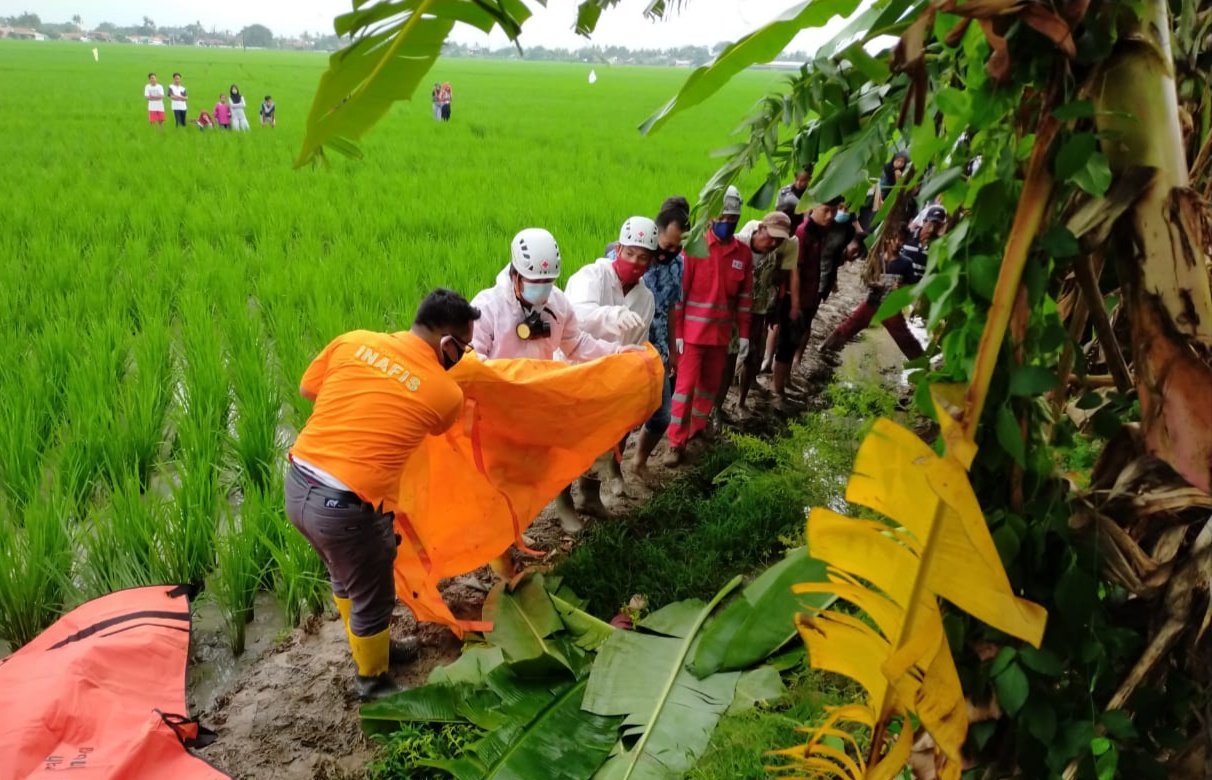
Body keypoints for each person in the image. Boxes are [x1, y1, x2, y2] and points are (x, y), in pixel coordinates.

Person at [285, 288, 480, 702]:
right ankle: (372, 682)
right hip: (346, 508)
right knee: (374, 594)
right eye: (463, 348)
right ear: (447, 344)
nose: (463, 355)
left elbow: (308, 389)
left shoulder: (354, 341)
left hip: (298, 484)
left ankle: (374, 646)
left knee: (345, 575)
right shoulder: (444, 393)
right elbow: (440, 429)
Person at [470, 228, 637, 533]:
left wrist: (615, 352)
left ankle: (562, 506)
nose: (543, 290)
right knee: (502, 480)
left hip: (539, 403)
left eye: (548, 282)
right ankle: (502, 543)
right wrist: (506, 380)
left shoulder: (556, 303)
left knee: (551, 459)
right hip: (498, 410)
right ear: (516, 274)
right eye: (535, 283)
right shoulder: (488, 307)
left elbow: (576, 343)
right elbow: (471, 357)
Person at [562, 216, 658, 523]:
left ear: (651, 261)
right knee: (569, 441)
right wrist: (611, 314)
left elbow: (639, 343)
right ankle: (563, 502)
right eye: (629, 253)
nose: (635, 261)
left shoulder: (645, 298)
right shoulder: (592, 276)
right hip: (575, 371)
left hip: (611, 379)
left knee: (605, 439)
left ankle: (589, 496)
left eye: (643, 257)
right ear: (618, 248)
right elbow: (574, 314)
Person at [665, 186, 753, 467]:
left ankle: (697, 429)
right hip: (692, 336)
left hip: (721, 336)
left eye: (734, 219)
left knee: (709, 388)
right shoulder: (695, 248)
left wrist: (745, 335)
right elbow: (680, 296)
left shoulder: (743, 253)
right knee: (685, 388)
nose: (729, 223)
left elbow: (744, 298)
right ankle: (675, 443)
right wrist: (677, 333)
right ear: (713, 216)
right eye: (725, 217)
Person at [608, 197, 689, 479]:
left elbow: (671, 308)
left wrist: (674, 350)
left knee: (662, 414)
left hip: (657, 350)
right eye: (667, 246)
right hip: (624, 349)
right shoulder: (629, 258)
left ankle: (638, 461)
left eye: (679, 246)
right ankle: (613, 466)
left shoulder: (678, 265)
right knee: (622, 418)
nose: (673, 251)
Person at [819, 205, 947, 360]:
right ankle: (825, 348)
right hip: (871, 303)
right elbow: (867, 278)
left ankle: (921, 364)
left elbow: (911, 286)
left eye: (901, 240)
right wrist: (873, 283)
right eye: (895, 239)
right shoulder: (877, 259)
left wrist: (900, 288)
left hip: (890, 307)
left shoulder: (905, 263)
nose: (898, 243)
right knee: (850, 326)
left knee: (904, 338)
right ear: (888, 239)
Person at [768, 198, 839, 404]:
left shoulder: (819, 232)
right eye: (826, 210)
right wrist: (796, 303)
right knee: (787, 343)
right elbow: (795, 271)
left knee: (795, 339)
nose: (830, 216)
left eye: (833, 211)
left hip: (809, 296)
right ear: (813, 208)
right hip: (795, 298)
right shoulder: (802, 233)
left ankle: (786, 382)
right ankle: (777, 389)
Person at [733, 212, 795, 413]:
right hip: (733, 311)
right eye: (771, 237)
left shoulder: (775, 255)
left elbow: (777, 282)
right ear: (759, 229)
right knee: (727, 358)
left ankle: (741, 401)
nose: (773, 243)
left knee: (754, 356)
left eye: (779, 240)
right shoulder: (739, 244)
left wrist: (775, 311)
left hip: (758, 310)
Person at [776, 167, 812, 232]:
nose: (798, 183)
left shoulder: (812, 194)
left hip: (803, 229)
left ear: (809, 179)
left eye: (802, 181)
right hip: (784, 227)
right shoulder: (784, 192)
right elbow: (777, 211)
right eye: (796, 179)